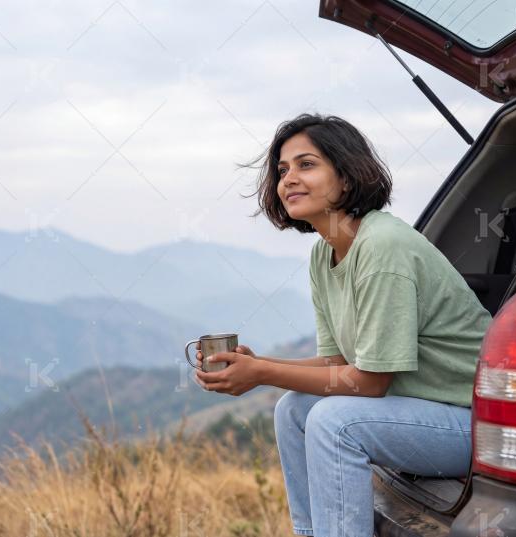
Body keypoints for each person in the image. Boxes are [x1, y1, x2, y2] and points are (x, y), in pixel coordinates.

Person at [194, 113, 492, 537]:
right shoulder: (325, 253)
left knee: (336, 420)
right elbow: (337, 360)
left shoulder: (382, 245)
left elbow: (369, 384)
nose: (289, 179)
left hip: (475, 422)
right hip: (424, 411)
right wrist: (259, 364)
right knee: (295, 409)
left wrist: (261, 374)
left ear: (347, 177)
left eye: (307, 164)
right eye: (283, 170)